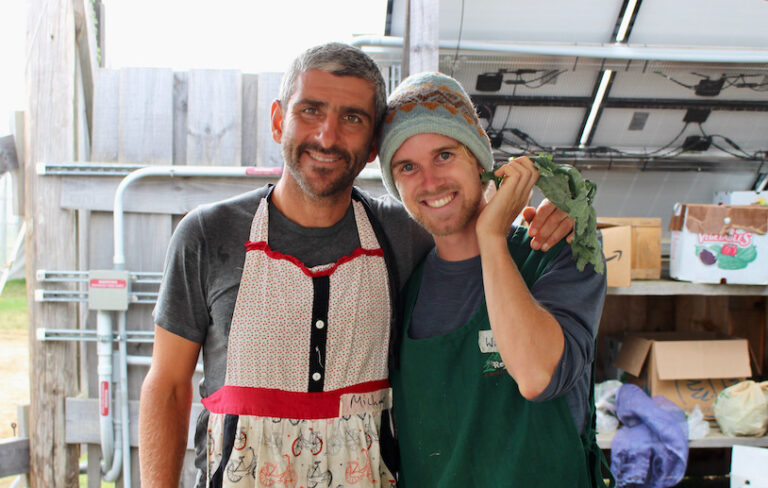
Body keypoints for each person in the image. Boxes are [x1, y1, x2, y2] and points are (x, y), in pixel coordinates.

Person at [138, 43, 573, 488]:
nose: (327, 136)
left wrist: (552, 217)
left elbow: (467, 217)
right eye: (310, 110)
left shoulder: (405, 234)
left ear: (371, 148)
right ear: (277, 120)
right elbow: (168, 385)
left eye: (352, 119)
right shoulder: (208, 235)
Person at [377, 72, 611, 487]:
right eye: (407, 166)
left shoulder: (560, 249)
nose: (430, 181)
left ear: (480, 158)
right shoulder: (401, 285)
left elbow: (538, 375)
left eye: (444, 155)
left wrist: (492, 237)